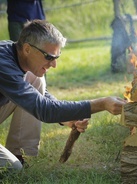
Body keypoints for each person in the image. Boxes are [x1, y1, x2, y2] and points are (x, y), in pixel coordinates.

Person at [0, 19, 126, 170]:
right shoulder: (3, 63)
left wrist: (66, 118)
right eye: (49, 57)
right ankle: (17, 164)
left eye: (56, 58)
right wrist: (102, 104)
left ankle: (21, 156)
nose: (54, 64)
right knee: (11, 169)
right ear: (27, 49)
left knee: (35, 79)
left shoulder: (15, 53)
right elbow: (44, 109)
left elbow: (38, 97)